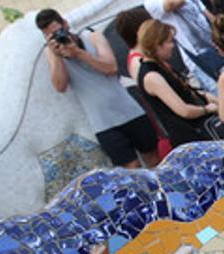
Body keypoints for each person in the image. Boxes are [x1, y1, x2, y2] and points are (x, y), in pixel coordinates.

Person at [36, 9, 159, 169]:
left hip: (129, 111)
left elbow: (112, 68)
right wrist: (57, 55)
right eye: (50, 36)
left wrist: (79, 53)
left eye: (58, 32)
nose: (57, 37)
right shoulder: (52, 53)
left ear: (65, 24)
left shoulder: (91, 36)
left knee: (153, 160)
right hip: (103, 124)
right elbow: (60, 86)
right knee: (131, 168)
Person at [135, 19, 223, 148]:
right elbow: (183, 110)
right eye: (169, 41)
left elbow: (182, 91)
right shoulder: (151, 76)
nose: (172, 46)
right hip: (190, 138)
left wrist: (204, 96)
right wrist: (206, 109)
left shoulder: (161, 65)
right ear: (157, 44)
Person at [145, 0, 224, 93]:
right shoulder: (152, 1)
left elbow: (206, 14)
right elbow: (177, 0)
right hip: (197, 57)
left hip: (217, 45)